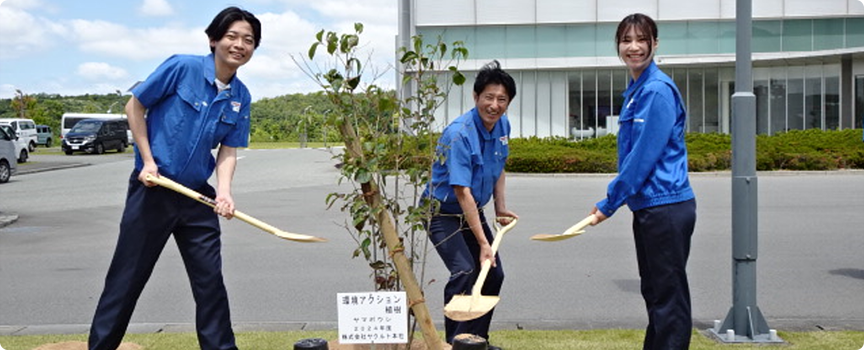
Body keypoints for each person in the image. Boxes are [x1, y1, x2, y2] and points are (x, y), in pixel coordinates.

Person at [88, 7, 261, 350]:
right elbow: (134, 106)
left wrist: (224, 193)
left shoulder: (241, 97)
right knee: (127, 279)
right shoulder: (181, 67)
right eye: (232, 36)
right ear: (213, 40)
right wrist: (147, 161)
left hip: (197, 196)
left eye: (249, 40)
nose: (239, 45)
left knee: (210, 283)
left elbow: (228, 150)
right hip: (154, 189)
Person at [587, 13, 697, 350]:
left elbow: (642, 158)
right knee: (655, 292)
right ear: (618, 46)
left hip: (666, 207)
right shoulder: (637, 90)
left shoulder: (656, 91)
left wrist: (610, 202)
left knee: (668, 297)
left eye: (641, 40)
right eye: (626, 40)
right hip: (651, 207)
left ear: (655, 43)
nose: (633, 47)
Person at [422, 60, 518, 350]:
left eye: (502, 99)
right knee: (465, 269)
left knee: (493, 272)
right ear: (476, 97)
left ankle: (477, 342)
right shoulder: (460, 134)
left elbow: (498, 165)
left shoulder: (502, 125)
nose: (495, 105)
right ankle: (456, 344)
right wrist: (483, 242)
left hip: (470, 211)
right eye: (488, 97)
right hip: (442, 212)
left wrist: (500, 208)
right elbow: (462, 191)